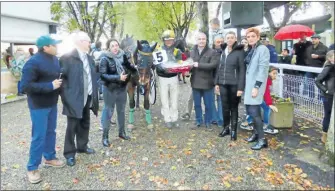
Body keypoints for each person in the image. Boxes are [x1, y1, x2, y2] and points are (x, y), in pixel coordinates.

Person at [20, 35, 64, 184]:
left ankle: (50, 157)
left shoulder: (55, 59)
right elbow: (25, 86)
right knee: (39, 135)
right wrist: (50, 86)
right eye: (54, 45)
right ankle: (32, 167)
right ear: (45, 47)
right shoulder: (32, 62)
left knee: (51, 131)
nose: (57, 47)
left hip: (52, 102)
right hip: (38, 105)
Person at [59, 31, 99, 166]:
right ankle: (69, 153)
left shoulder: (89, 58)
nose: (90, 44)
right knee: (72, 127)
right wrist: (67, 98)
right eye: (88, 41)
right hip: (74, 98)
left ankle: (82, 146)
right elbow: (61, 81)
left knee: (85, 123)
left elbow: (92, 76)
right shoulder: (67, 58)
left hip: (87, 97)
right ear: (81, 42)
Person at [99, 39, 137, 147]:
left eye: (116, 45)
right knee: (108, 112)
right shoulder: (105, 59)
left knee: (121, 111)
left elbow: (128, 66)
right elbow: (103, 75)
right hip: (110, 89)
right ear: (109, 48)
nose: (115, 47)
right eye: (112, 46)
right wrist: (118, 77)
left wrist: (135, 69)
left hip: (121, 88)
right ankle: (105, 137)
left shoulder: (123, 55)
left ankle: (121, 133)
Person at [214, 31, 245, 140]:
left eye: (232, 37)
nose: (230, 39)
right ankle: (226, 128)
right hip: (223, 84)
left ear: (235, 39)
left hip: (234, 85)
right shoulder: (223, 50)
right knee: (225, 108)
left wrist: (241, 87)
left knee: (234, 108)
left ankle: (233, 131)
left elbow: (242, 70)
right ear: (225, 39)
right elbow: (219, 68)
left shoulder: (239, 52)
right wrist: (217, 82)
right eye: (228, 37)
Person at [244, 27, 270, 150]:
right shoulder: (253, 49)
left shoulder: (262, 49)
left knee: (255, 112)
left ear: (258, 37)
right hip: (249, 85)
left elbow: (263, 69)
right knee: (250, 111)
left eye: (253, 36)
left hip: (256, 85)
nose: (250, 39)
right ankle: (255, 134)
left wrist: (256, 87)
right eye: (248, 37)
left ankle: (262, 139)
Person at [190, 32, 219, 131]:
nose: (201, 41)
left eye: (203, 39)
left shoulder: (212, 52)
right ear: (196, 40)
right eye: (199, 39)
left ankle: (208, 122)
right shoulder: (192, 52)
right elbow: (190, 65)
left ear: (206, 40)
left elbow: (213, 65)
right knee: (197, 104)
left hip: (208, 83)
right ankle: (198, 121)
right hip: (195, 82)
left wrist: (199, 65)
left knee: (208, 105)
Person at [155, 30, 183, 128]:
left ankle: (174, 118)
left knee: (174, 99)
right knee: (164, 99)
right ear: (163, 40)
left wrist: (179, 66)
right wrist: (163, 69)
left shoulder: (177, 51)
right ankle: (167, 119)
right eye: (167, 40)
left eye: (170, 40)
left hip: (174, 77)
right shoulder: (159, 50)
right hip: (163, 78)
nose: (168, 42)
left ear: (173, 40)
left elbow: (180, 63)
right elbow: (157, 65)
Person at [241, 67, 280, 135]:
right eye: (274, 73)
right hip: (256, 96)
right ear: (268, 72)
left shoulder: (265, 77)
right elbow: (266, 92)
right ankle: (265, 126)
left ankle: (246, 123)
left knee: (255, 109)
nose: (275, 75)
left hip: (253, 94)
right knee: (267, 108)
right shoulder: (267, 79)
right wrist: (269, 104)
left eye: (276, 74)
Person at [315, 50, 334, 144]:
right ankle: (324, 136)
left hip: (331, 95)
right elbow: (317, 80)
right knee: (328, 115)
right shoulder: (329, 67)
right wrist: (326, 90)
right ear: (330, 58)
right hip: (328, 95)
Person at [304, 34, 328, 99]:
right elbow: (306, 57)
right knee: (310, 84)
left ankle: (320, 99)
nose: (313, 40)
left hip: (319, 69)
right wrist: (307, 63)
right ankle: (311, 98)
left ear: (319, 39)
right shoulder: (309, 48)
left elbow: (328, 57)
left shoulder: (324, 48)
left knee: (320, 83)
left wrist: (318, 56)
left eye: (315, 39)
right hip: (310, 68)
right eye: (312, 39)